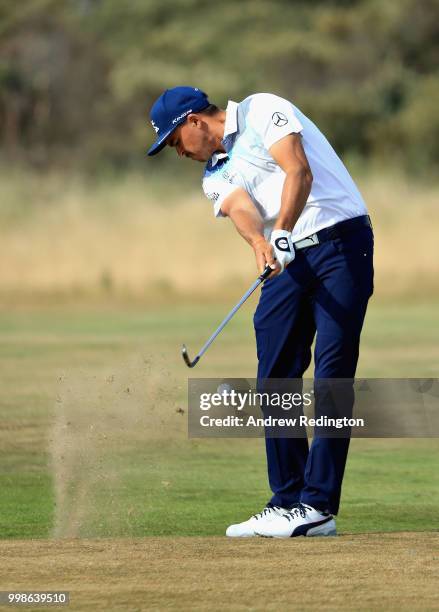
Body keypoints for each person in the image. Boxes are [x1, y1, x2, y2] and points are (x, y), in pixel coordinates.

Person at [147, 86, 374, 538]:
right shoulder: (214, 172)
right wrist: (260, 243)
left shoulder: (263, 109)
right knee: (275, 373)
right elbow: (240, 207)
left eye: (174, 141)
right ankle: (288, 499)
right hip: (286, 260)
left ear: (193, 121)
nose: (178, 152)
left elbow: (298, 170)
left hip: (340, 244)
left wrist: (283, 230)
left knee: (332, 374)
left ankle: (318, 507)